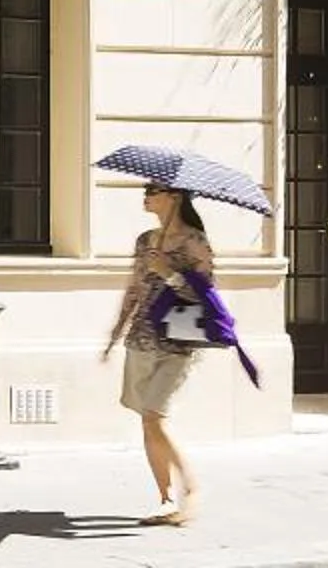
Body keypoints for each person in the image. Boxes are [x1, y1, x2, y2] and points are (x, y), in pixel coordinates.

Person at [103, 184, 213, 526]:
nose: (145, 193)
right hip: (142, 340)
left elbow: (206, 294)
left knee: (153, 416)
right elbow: (134, 286)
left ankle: (190, 484)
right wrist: (116, 331)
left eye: (154, 189)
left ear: (175, 197)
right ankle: (166, 500)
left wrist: (170, 273)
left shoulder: (195, 241)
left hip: (178, 342)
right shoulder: (145, 240)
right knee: (149, 421)